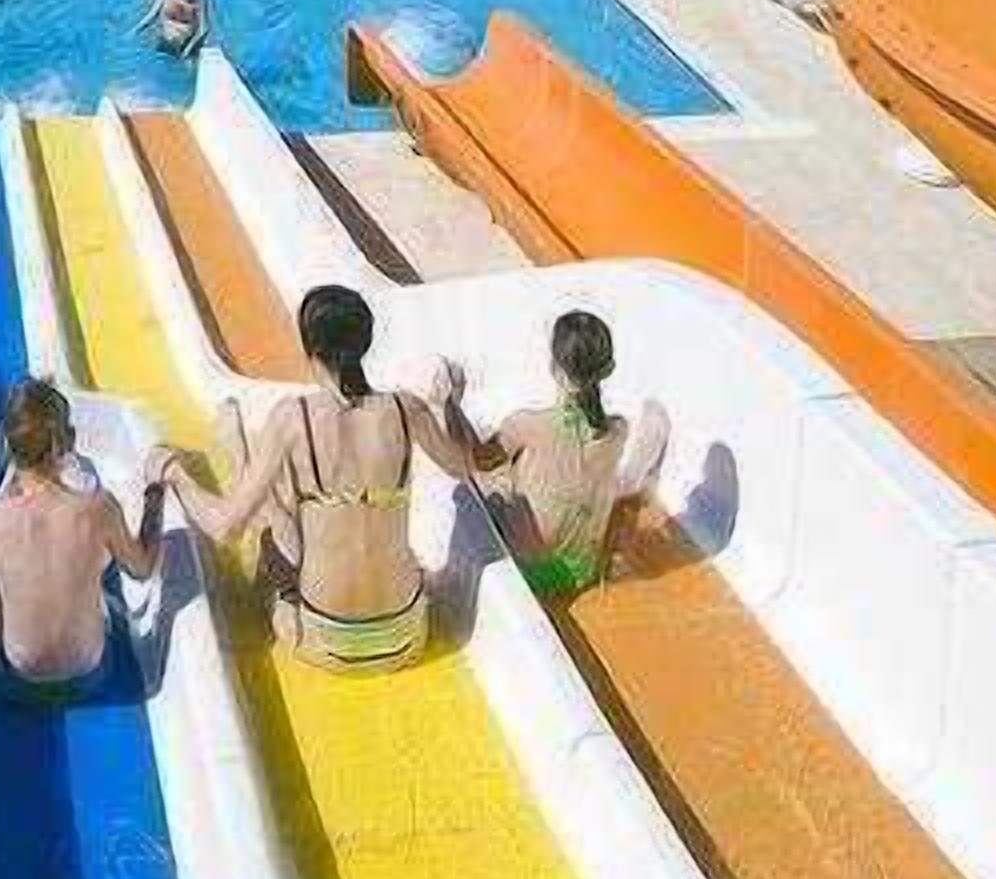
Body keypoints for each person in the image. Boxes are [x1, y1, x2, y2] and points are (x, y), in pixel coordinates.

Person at [149, 284, 473, 675]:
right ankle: (243, 456)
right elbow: (462, 467)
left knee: (273, 521)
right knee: (318, 497)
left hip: (325, 642)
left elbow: (225, 527)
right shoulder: (409, 409)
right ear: (365, 343)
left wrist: (173, 474)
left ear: (310, 349)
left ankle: (240, 455)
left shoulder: (292, 418)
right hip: (405, 637)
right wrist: (449, 405)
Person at [0, 380, 165, 703]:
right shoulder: (99, 507)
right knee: (93, 577)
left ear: (6, 444)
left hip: (13, 683)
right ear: (67, 444)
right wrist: (154, 495)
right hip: (90, 678)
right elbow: (143, 568)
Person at [440, 311, 669, 601]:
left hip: (531, 576)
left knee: (479, 488)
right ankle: (642, 479)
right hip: (582, 573)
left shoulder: (526, 425)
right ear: (608, 368)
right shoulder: (619, 431)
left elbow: (472, 461)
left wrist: (452, 406)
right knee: (595, 486)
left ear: (554, 368)